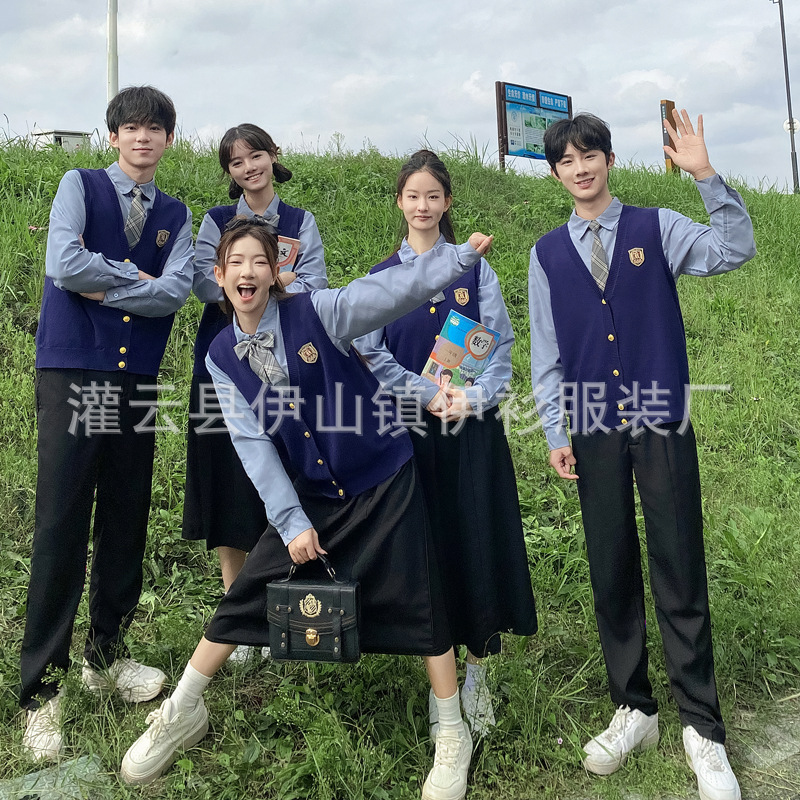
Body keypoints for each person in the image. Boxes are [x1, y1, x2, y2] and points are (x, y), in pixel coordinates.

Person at [121, 218, 494, 800]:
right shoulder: (220, 355)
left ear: (276, 271)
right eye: (235, 263)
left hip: (381, 478)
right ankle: (183, 710)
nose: (247, 272)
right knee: (247, 593)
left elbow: (386, 292)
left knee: (420, 597)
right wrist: (292, 521)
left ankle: (452, 732)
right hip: (313, 495)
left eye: (259, 261)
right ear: (219, 275)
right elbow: (252, 443)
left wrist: (455, 260)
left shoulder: (318, 311)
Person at [528, 109, 755, 800]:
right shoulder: (547, 254)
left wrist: (705, 175)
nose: (580, 168)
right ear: (556, 173)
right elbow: (546, 352)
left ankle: (702, 729)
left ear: (609, 159)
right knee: (611, 566)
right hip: (593, 424)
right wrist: (555, 432)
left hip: (660, 417)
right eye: (567, 160)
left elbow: (734, 248)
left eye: (589, 154)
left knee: (679, 563)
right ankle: (635, 708)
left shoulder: (656, 228)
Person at [20, 86, 194, 761]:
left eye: (155, 129)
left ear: (169, 140)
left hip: (137, 380)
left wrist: (108, 281)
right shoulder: (79, 185)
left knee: (126, 513)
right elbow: (62, 263)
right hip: (72, 371)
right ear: (114, 135)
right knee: (61, 520)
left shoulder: (175, 213)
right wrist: (134, 277)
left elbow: (175, 292)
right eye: (131, 127)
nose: (143, 138)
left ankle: (106, 655)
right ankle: (42, 690)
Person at [355, 150, 537, 737]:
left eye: (433, 196)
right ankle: (443, 688)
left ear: (447, 202)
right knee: (425, 551)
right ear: (399, 202)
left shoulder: (475, 272)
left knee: (476, 543)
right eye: (413, 195)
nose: (423, 206)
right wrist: (426, 393)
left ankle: (478, 671)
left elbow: (501, 349)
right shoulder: (382, 278)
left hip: (470, 435)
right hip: (409, 437)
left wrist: (471, 399)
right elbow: (371, 353)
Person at [183, 124, 327, 662]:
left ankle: (282, 607)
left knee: (281, 475)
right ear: (229, 172)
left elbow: (317, 285)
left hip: (287, 366)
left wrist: (272, 280)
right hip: (223, 361)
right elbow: (202, 282)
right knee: (229, 483)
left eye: (256, 156)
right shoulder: (216, 220)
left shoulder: (300, 221)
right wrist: (260, 276)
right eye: (237, 162)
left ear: (273, 157)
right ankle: (238, 612)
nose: (249, 168)